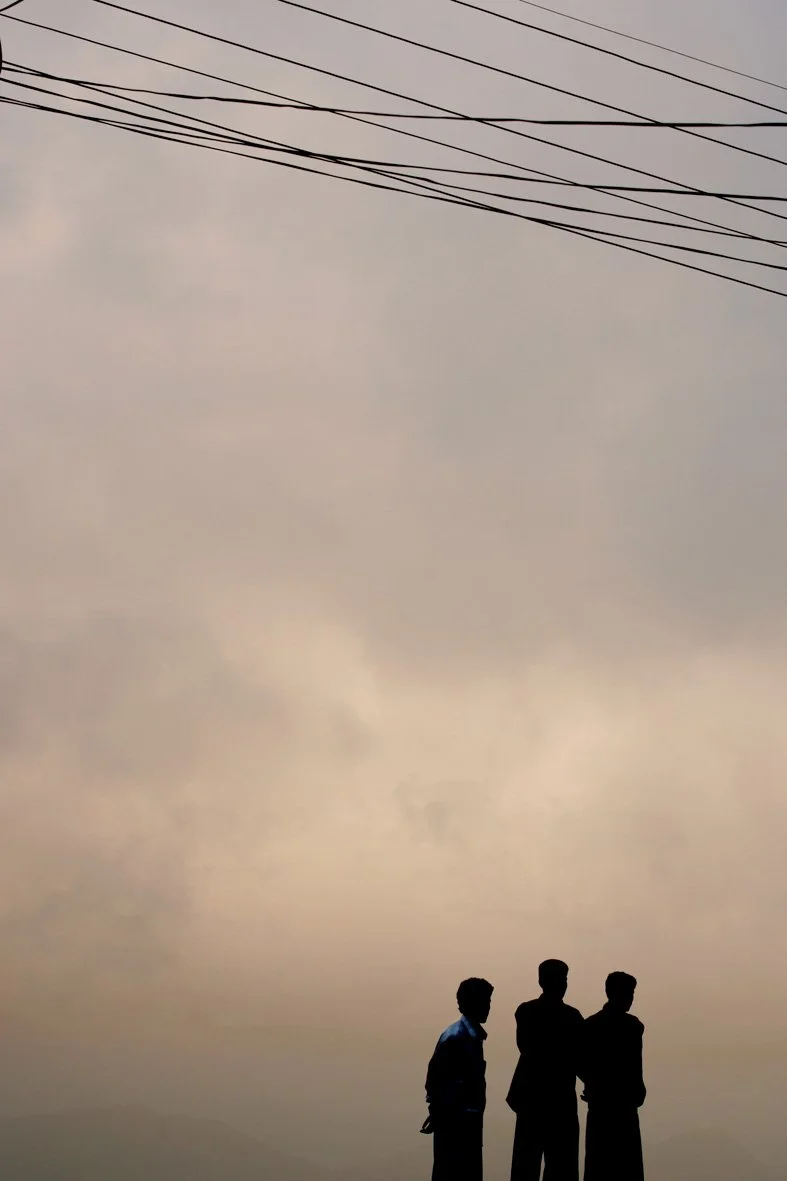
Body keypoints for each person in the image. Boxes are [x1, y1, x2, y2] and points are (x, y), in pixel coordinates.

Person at [506, 959, 584, 1181]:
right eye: (562, 979)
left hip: (532, 1098)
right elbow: (579, 1058)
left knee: (526, 1163)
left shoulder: (526, 1011)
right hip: (558, 1100)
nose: (564, 984)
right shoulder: (572, 1017)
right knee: (561, 1166)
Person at [422, 977, 494, 1181]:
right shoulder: (457, 1038)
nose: (489, 1007)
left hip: (465, 1123)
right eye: (486, 1001)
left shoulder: (466, 1036)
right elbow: (435, 1081)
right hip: (457, 1126)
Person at [579, 971, 646, 1181]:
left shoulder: (590, 1025)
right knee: (627, 1166)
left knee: (599, 1166)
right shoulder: (633, 1027)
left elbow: (579, 1063)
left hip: (600, 1106)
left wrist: (592, 1084)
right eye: (630, 992)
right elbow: (635, 1067)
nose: (632, 998)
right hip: (624, 1106)